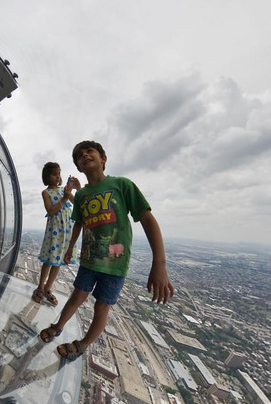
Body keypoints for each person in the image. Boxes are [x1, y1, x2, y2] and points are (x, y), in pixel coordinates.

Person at [39, 140, 173, 360]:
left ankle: (82, 345)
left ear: (103, 158)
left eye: (90, 151)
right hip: (89, 260)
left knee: (102, 307)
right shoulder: (81, 196)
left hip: (115, 263)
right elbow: (79, 223)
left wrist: (159, 264)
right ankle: (58, 326)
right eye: (79, 155)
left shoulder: (122, 185)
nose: (85, 155)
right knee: (76, 297)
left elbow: (147, 219)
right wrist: (70, 247)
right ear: (79, 167)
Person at [35, 162, 79, 305]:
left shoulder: (64, 190)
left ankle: (48, 288)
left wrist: (76, 189)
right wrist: (65, 198)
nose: (57, 176)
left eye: (59, 173)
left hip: (66, 232)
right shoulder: (46, 192)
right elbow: (50, 210)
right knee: (49, 260)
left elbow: (78, 202)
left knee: (58, 261)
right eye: (54, 174)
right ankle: (40, 287)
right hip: (54, 232)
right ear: (47, 176)